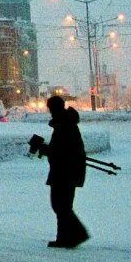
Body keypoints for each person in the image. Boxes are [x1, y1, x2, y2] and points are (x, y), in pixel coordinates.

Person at [30, 95, 89, 248]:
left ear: (55, 108)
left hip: (65, 172)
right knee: (62, 205)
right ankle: (66, 237)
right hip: (66, 171)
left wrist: (44, 148)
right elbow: (62, 149)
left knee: (60, 205)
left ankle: (76, 234)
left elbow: (62, 151)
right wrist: (47, 149)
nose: (50, 112)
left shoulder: (65, 125)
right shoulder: (65, 123)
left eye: (51, 109)